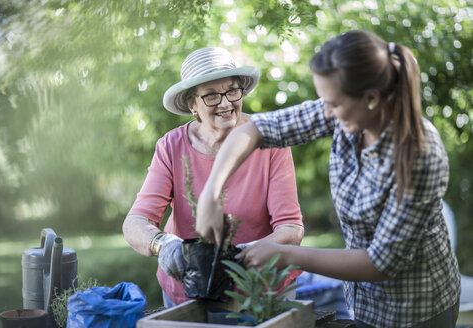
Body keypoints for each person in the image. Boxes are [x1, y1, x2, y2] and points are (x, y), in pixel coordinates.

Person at [195, 31, 460, 327]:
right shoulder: (345, 112)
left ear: (371, 98)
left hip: (417, 309)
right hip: (363, 303)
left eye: (333, 103)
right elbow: (254, 130)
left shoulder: (419, 153)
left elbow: (381, 263)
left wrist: (287, 254)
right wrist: (210, 194)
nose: (326, 111)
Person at [122, 47, 304, 307]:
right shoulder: (171, 146)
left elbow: (291, 230)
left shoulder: (271, 141)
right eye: (210, 96)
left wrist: (236, 259)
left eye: (232, 90)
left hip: (260, 294)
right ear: (191, 104)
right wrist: (163, 245)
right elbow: (136, 222)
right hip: (189, 294)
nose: (226, 102)